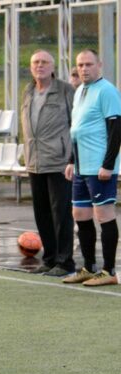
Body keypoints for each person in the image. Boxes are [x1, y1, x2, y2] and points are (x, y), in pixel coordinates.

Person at [62, 49, 121, 287]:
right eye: (80, 65)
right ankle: (88, 267)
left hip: (99, 168)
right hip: (81, 166)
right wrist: (71, 160)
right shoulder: (80, 91)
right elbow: (76, 129)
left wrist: (108, 165)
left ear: (99, 65)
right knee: (80, 214)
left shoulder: (107, 91)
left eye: (88, 64)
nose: (84, 69)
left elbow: (116, 129)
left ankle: (109, 271)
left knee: (104, 214)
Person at [20, 50, 76, 277]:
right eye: (35, 62)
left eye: (44, 62)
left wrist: (72, 157)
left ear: (53, 67)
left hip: (58, 161)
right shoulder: (28, 90)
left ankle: (65, 261)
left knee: (60, 213)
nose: (39, 66)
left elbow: (76, 124)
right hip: (35, 161)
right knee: (41, 213)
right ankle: (50, 258)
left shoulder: (65, 90)